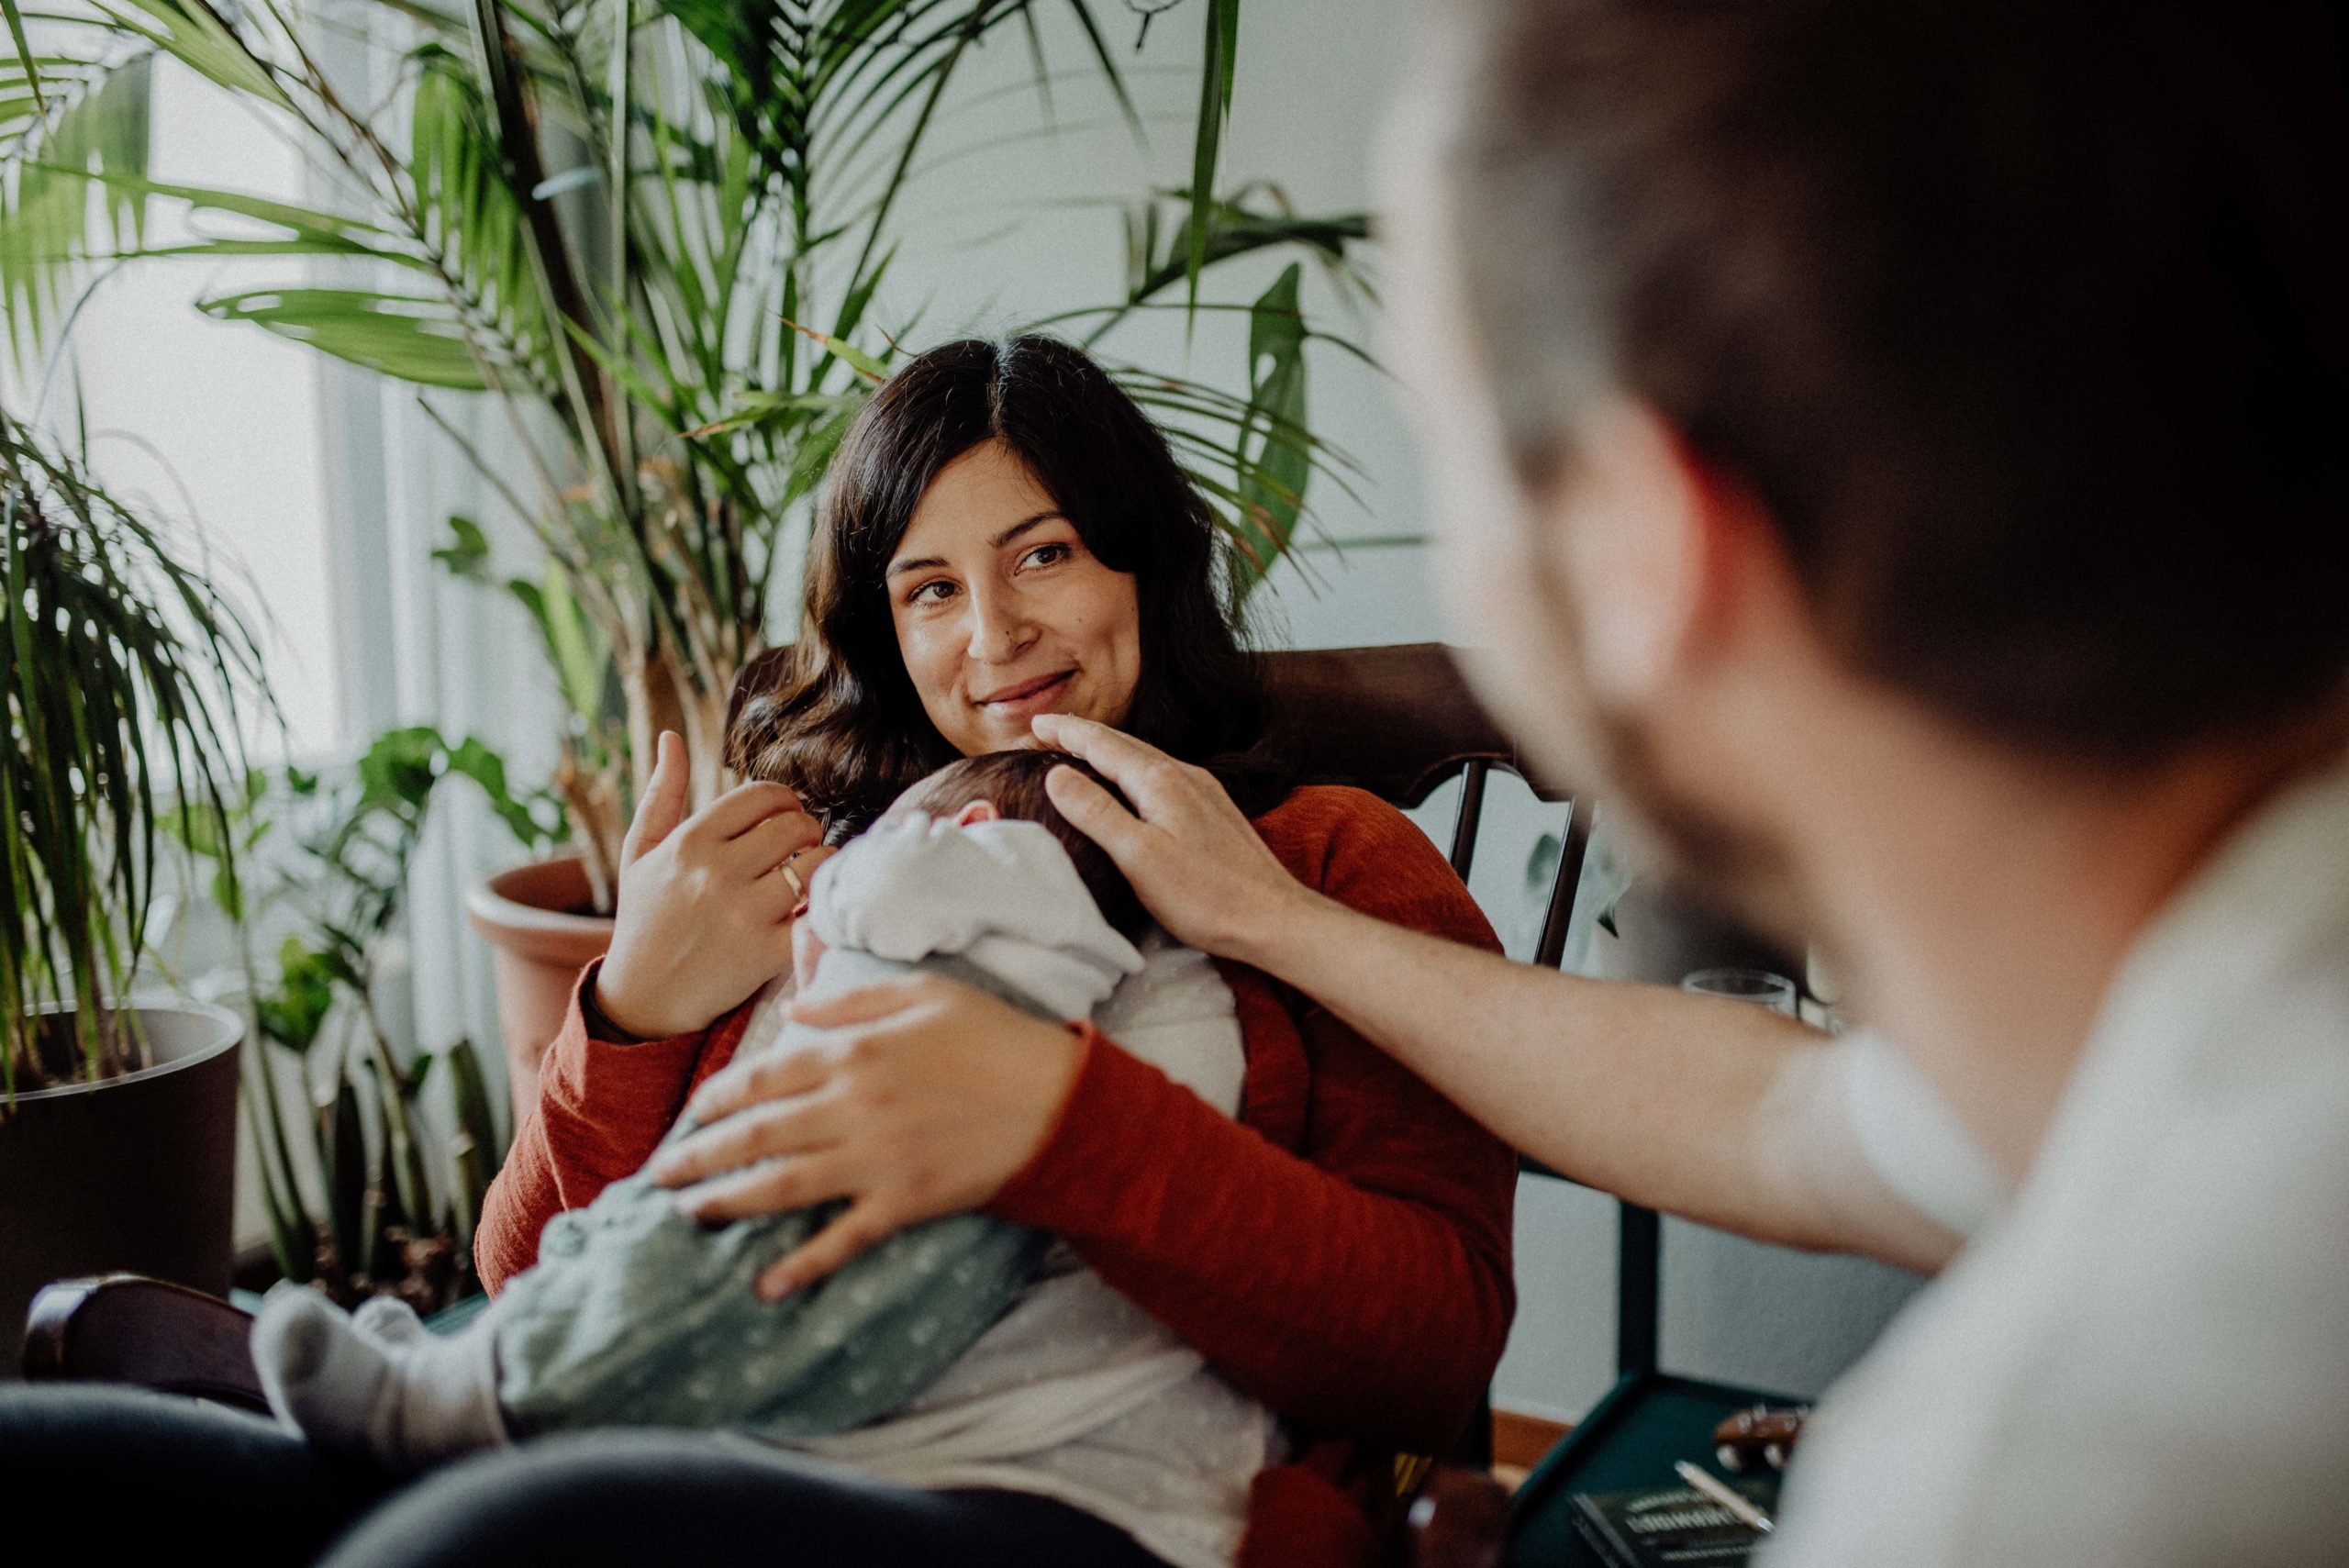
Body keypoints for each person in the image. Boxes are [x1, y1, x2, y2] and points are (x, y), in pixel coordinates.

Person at [1008, 2, 2349, 1563]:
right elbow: (1801, 1117)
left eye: (1446, 450)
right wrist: (1278, 926)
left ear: (1643, 551)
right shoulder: (2204, 1011)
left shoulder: (2042, 1488)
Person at [0, 335, 1516, 1568]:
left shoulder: (1320, 857)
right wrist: (632, 1003)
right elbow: (531, 1275)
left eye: (1042, 552)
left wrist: (1058, 1127)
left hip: (1037, 1495)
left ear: (1144, 568)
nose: (992, 632)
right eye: (928, 587)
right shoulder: (817, 868)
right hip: (653, 1431)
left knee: (470, 1537)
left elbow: (1428, 1347)